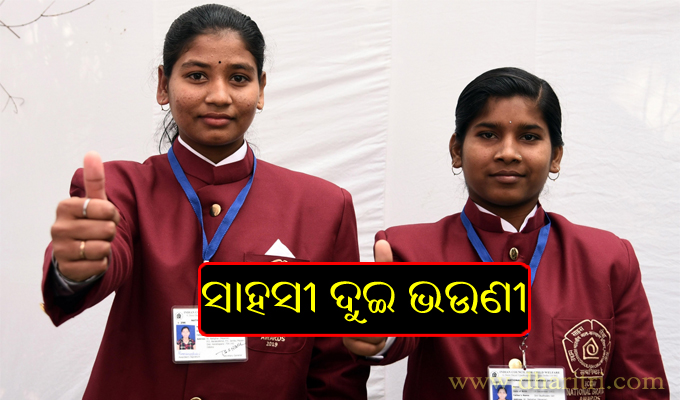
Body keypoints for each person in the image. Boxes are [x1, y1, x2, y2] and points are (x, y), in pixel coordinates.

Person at [41, 4, 368, 399]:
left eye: (239, 78)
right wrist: (76, 267)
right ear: (163, 85)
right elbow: (104, 255)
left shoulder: (322, 207)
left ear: (261, 89)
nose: (218, 95)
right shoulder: (123, 189)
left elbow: (337, 371)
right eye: (197, 76)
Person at [343, 67, 669, 399]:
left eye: (529, 137)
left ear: (555, 156)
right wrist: (380, 337)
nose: (508, 152)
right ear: (457, 150)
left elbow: (641, 389)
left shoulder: (607, 259)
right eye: (488, 135)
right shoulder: (411, 251)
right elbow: (394, 335)